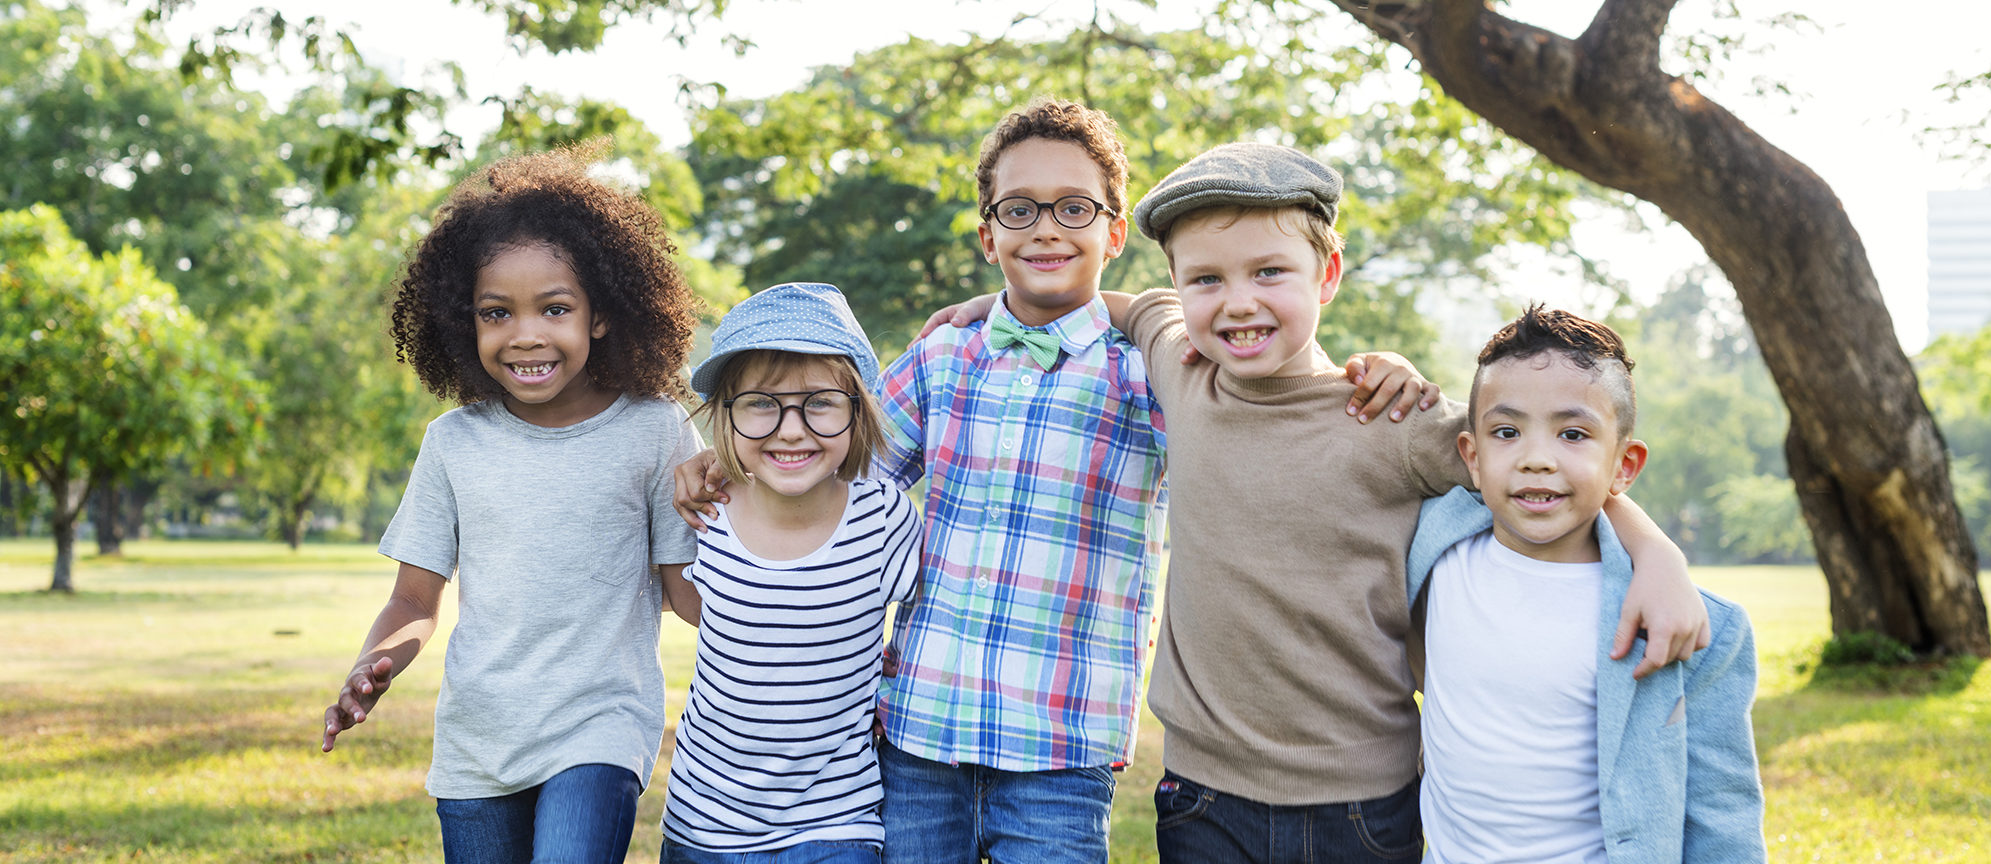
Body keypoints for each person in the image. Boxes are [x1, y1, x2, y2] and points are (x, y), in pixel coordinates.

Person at [677, 100, 1433, 864]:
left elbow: (1264, 391)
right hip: (919, 734)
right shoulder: (943, 360)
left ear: (1112, 232)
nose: (1045, 228)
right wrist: (727, 460)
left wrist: (1374, 373)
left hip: (1061, 745)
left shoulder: (1153, 374)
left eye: (1074, 207)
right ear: (987, 234)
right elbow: (819, 458)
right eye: (1019, 209)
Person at [1111, 143, 1709, 864]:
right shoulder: (1179, 365)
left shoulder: (1390, 419)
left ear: (1326, 274)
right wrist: (988, 308)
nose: (1239, 301)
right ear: (1177, 287)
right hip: (1201, 794)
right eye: (1206, 279)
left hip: (1359, 802)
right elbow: (1113, 306)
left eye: (1270, 271)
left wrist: (1656, 551)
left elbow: (1536, 465)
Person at [319, 147, 707, 864]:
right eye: (497, 313)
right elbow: (413, 602)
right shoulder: (453, 444)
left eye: (554, 308)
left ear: (600, 316)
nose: (526, 334)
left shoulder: (655, 428)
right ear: (465, 323)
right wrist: (374, 663)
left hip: (601, 726)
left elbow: (687, 594)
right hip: (479, 739)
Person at [1405, 306, 1764, 863]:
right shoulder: (1431, 542)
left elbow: (1722, 813)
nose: (1536, 459)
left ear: (1625, 466)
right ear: (1471, 457)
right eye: (1507, 432)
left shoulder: (1693, 624)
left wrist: (1655, 553)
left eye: (1573, 434)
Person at [657, 282, 923, 863]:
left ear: (858, 411)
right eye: (760, 403)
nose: (792, 428)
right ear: (725, 413)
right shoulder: (707, 515)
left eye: (821, 403)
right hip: (705, 823)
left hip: (836, 821)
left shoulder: (883, 519)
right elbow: (694, 608)